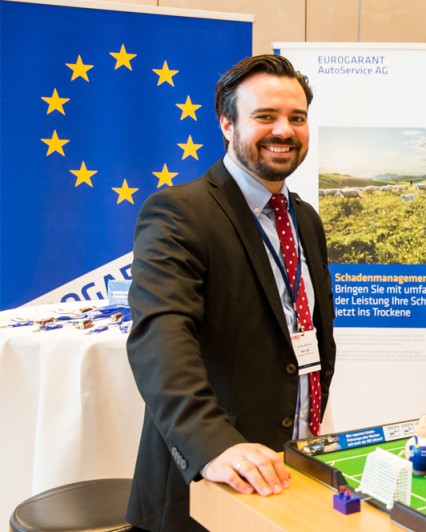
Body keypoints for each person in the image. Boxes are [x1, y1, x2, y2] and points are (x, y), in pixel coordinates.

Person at [125, 55, 336, 531]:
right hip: (210, 485)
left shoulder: (305, 219)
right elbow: (160, 339)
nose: (284, 130)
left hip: (291, 470)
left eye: (297, 118)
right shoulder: (179, 212)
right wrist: (214, 444)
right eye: (265, 116)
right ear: (227, 123)